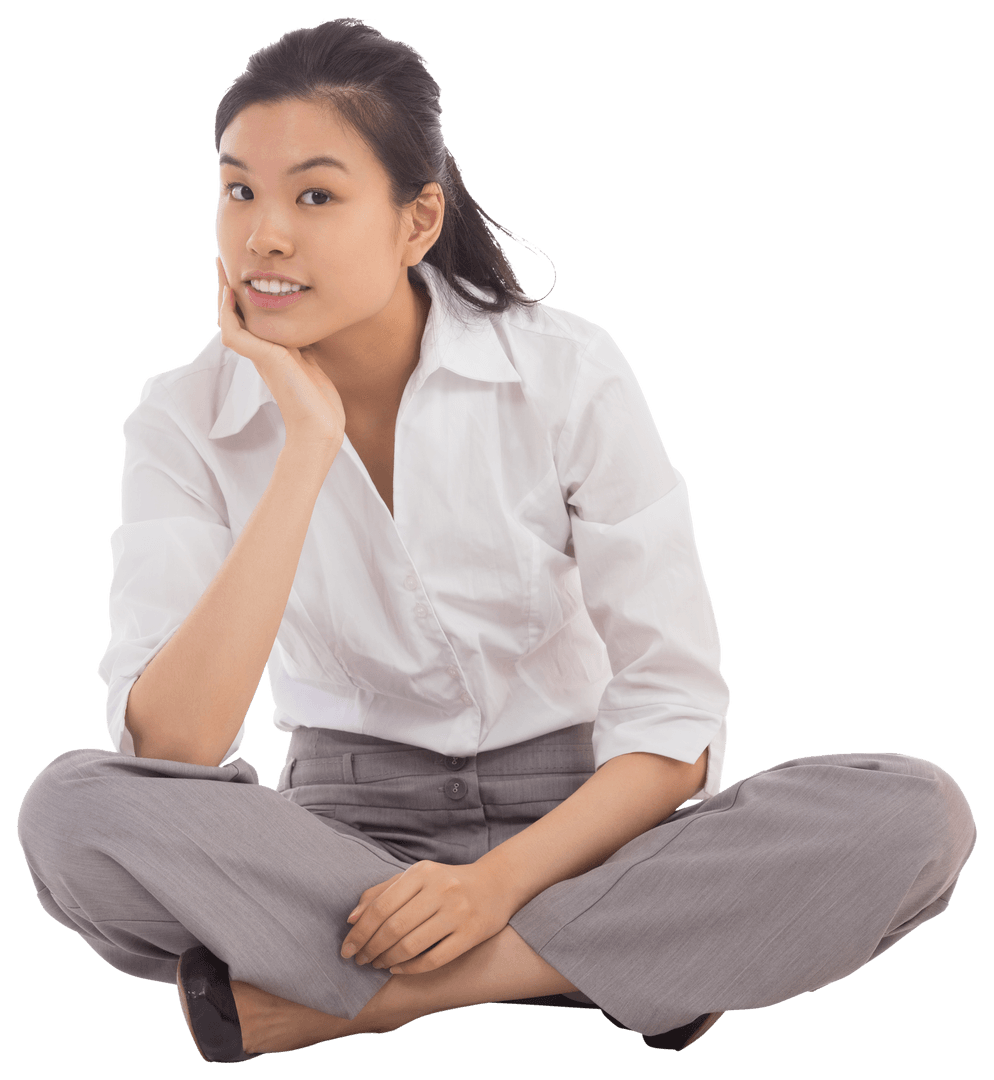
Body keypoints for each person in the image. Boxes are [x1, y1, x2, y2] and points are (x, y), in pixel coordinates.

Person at [15, 16, 976, 1063]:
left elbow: (673, 713)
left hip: (579, 821)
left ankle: (379, 994)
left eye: (316, 195)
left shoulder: (564, 368)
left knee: (917, 816)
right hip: (341, 836)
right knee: (71, 813)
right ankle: (629, 962)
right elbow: (173, 753)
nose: (264, 236)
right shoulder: (180, 416)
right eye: (238, 189)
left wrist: (493, 889)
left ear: (417, 218)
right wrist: (304, 447)